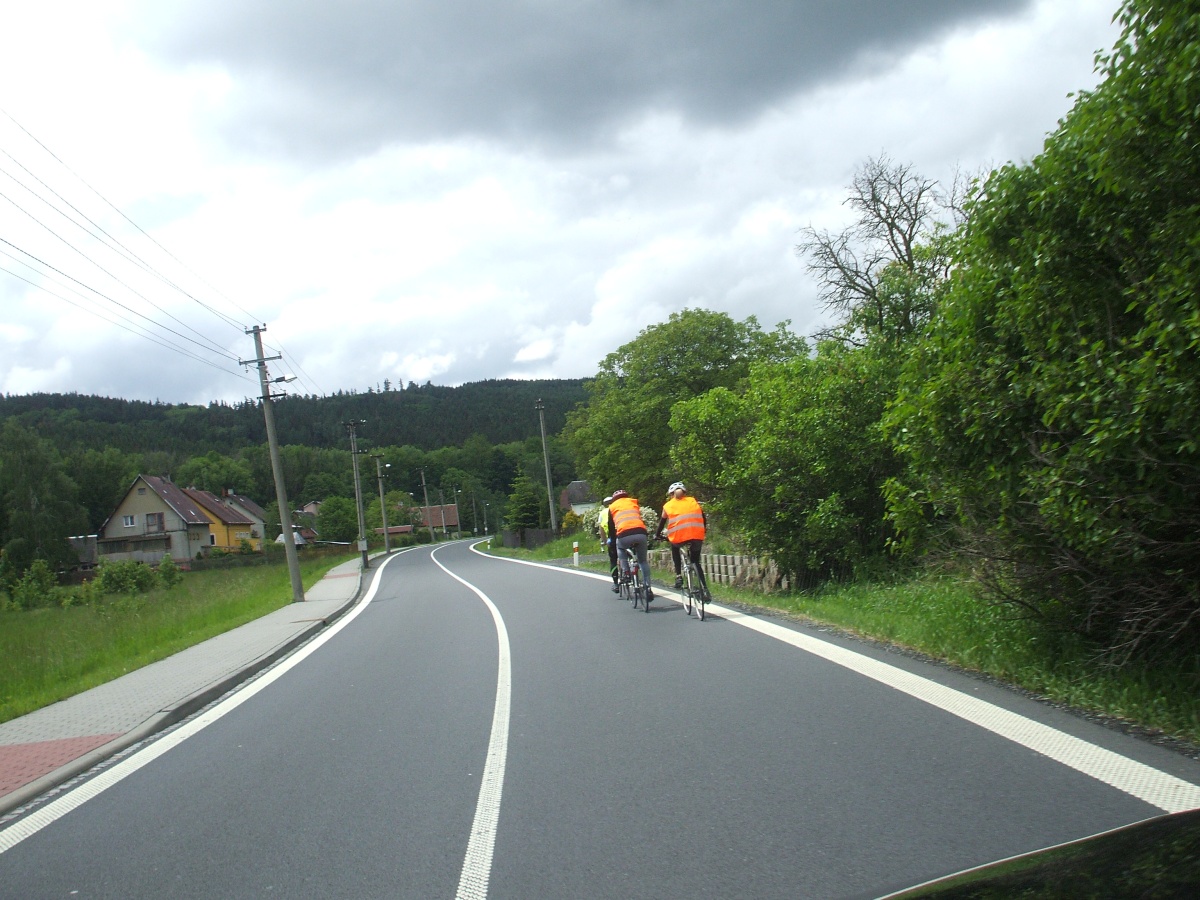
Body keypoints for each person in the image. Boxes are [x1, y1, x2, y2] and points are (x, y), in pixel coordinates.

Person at [654, 481, 710, 599]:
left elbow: (662, 523)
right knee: (695, 561)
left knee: (674, 547)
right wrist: (703, 530)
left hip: (679, 537)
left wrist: (657, 535)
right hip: (697, 535)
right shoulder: (693, 501)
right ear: (684, 492)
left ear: (671, 494)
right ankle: (705, 590)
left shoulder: (668, 505)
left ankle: (678, 576)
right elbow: (703, 518)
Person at [607, 489, 654, 603]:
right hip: (640, 533)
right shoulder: (633, 502)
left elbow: (611, 528)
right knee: (643, 561)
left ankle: (627, 573)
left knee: (620, 548)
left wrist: (612, 541)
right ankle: (648, 588)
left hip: (624, 535)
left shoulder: (612, 507)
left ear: (614, 500)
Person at [598, 495, 620, 593]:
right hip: (623, 534)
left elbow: (601, 530)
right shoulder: (618, 508)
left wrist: (605, 541)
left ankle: (616, 583)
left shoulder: (602, 513)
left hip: (612, 538)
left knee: (613, 560)